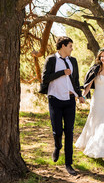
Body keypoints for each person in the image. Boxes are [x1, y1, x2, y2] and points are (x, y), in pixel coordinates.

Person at [40, 36, 85, 176]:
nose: (72, 48)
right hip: (55, 100)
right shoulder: (51, 60)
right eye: (70, 46)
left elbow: (75, 80)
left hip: (70, 100)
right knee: (57, 130)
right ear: (63, 46)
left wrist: (79, 95)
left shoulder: (73, 61)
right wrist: (61, 73)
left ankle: (68, 164)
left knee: (69, 132)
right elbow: (45, 78)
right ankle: (57, 145)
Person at [75, 47, 104, 164]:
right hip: (97, 101)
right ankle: (95, 148)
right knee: (95, 123)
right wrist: (84, 96)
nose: (103, 58)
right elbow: (88, 84)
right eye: (101, 56)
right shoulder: (96, 69)